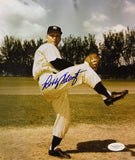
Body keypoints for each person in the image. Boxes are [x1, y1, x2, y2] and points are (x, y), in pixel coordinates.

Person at [32, 25, 128, 159]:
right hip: (49, 80)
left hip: (54, 87)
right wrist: (78, 67)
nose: (55, 37)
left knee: (64, 118)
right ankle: (107, 96)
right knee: (84, 69)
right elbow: (57, 63)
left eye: (57, 35)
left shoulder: (53, 49)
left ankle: (53, 148)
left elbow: (61, 67)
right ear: (46, 36)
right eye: (52, 35)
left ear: (60, 37)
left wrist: (75, 69)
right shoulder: (48, 46)